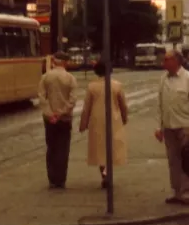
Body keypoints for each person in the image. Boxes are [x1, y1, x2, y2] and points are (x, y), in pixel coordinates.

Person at [155, 51, 189, 205]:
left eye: (167, 60)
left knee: (188, 161)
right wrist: (159, 127)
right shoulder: (163, 79)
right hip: (169, 127)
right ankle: (177, 192)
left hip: (185, 126)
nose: (164, 62)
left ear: (176, 62)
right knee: (173, 161)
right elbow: (159, 104)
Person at [78, 61, 129, 188]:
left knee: (100, 149)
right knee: (112, 147)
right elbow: (123, 105)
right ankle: (109, 173)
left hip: (97, 120)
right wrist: (124, 118)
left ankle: (104, 174)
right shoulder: (117, 85)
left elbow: (86, 107)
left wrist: (83, 124)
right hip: (114, 120)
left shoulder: (92, 87)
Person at [37, 51, 78, 189]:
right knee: (63, 148)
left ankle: (52, 178)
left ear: (54, 62)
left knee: (51, 147)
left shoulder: (45, 77)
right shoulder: (70, 78)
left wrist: (50, 114)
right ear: (65, 62)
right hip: (64, 119)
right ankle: (61, 179)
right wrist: (61, 113)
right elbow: (73, 100)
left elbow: (42, 98)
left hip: (49, 120)